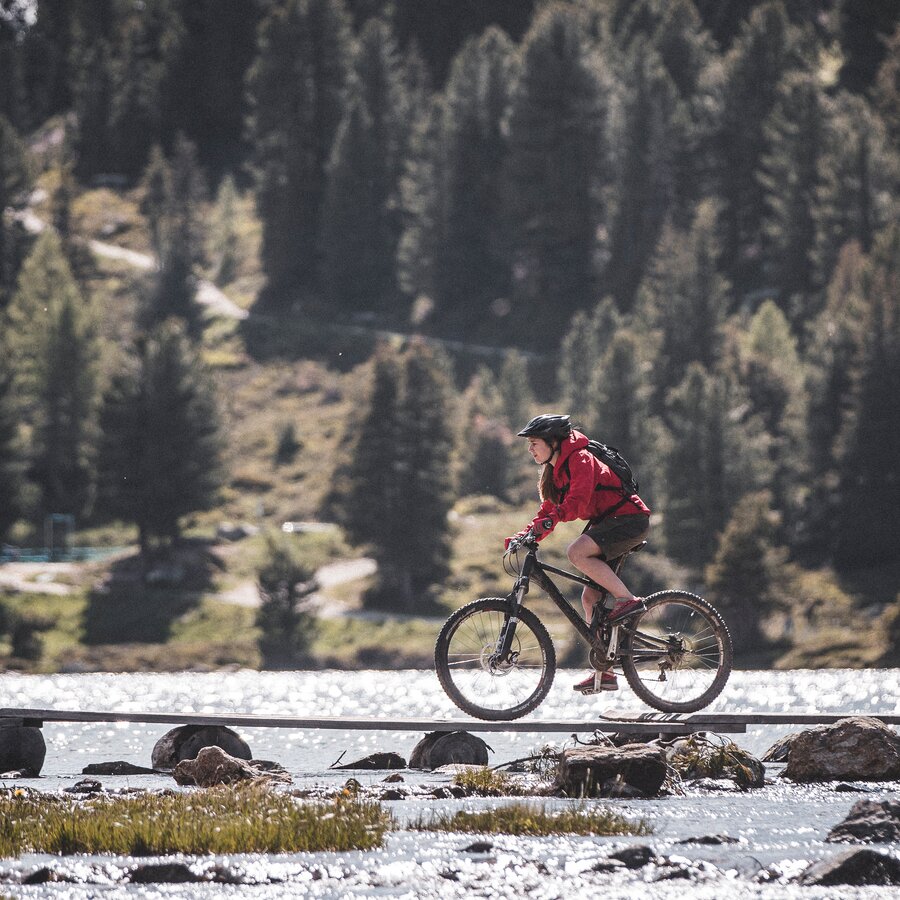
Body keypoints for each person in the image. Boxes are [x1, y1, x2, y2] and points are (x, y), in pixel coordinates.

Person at [505, 414, 650, 694]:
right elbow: (549, 510)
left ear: (553, 442)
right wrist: (526, 534)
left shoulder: (580, 459)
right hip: (609, 521)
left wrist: (551, 521)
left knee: (576, 552)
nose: (530, 449)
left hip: (629, 519)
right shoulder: (555, 470)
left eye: (534, 443)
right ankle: (605, 673)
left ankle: (627, 600)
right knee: (590, 597)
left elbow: (577, 501)